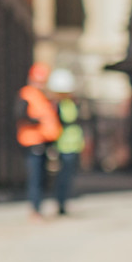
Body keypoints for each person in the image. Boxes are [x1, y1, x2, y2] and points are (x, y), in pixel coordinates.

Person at [17, 62, 60, 218]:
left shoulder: (44, 96)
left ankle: (39, 207)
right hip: (32, 143)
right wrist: (38, 121)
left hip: (44, 142)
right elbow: (20, 115)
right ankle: (35, 209)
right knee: (35, 178)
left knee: (43, 177)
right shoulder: (26, 94)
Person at [47, 67, 84, 216]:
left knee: (68, 177)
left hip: (72, 145)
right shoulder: (55, 106)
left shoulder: (73, 104)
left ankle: (64, 202)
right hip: (61, 145)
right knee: (61, 177)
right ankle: (60, 203)